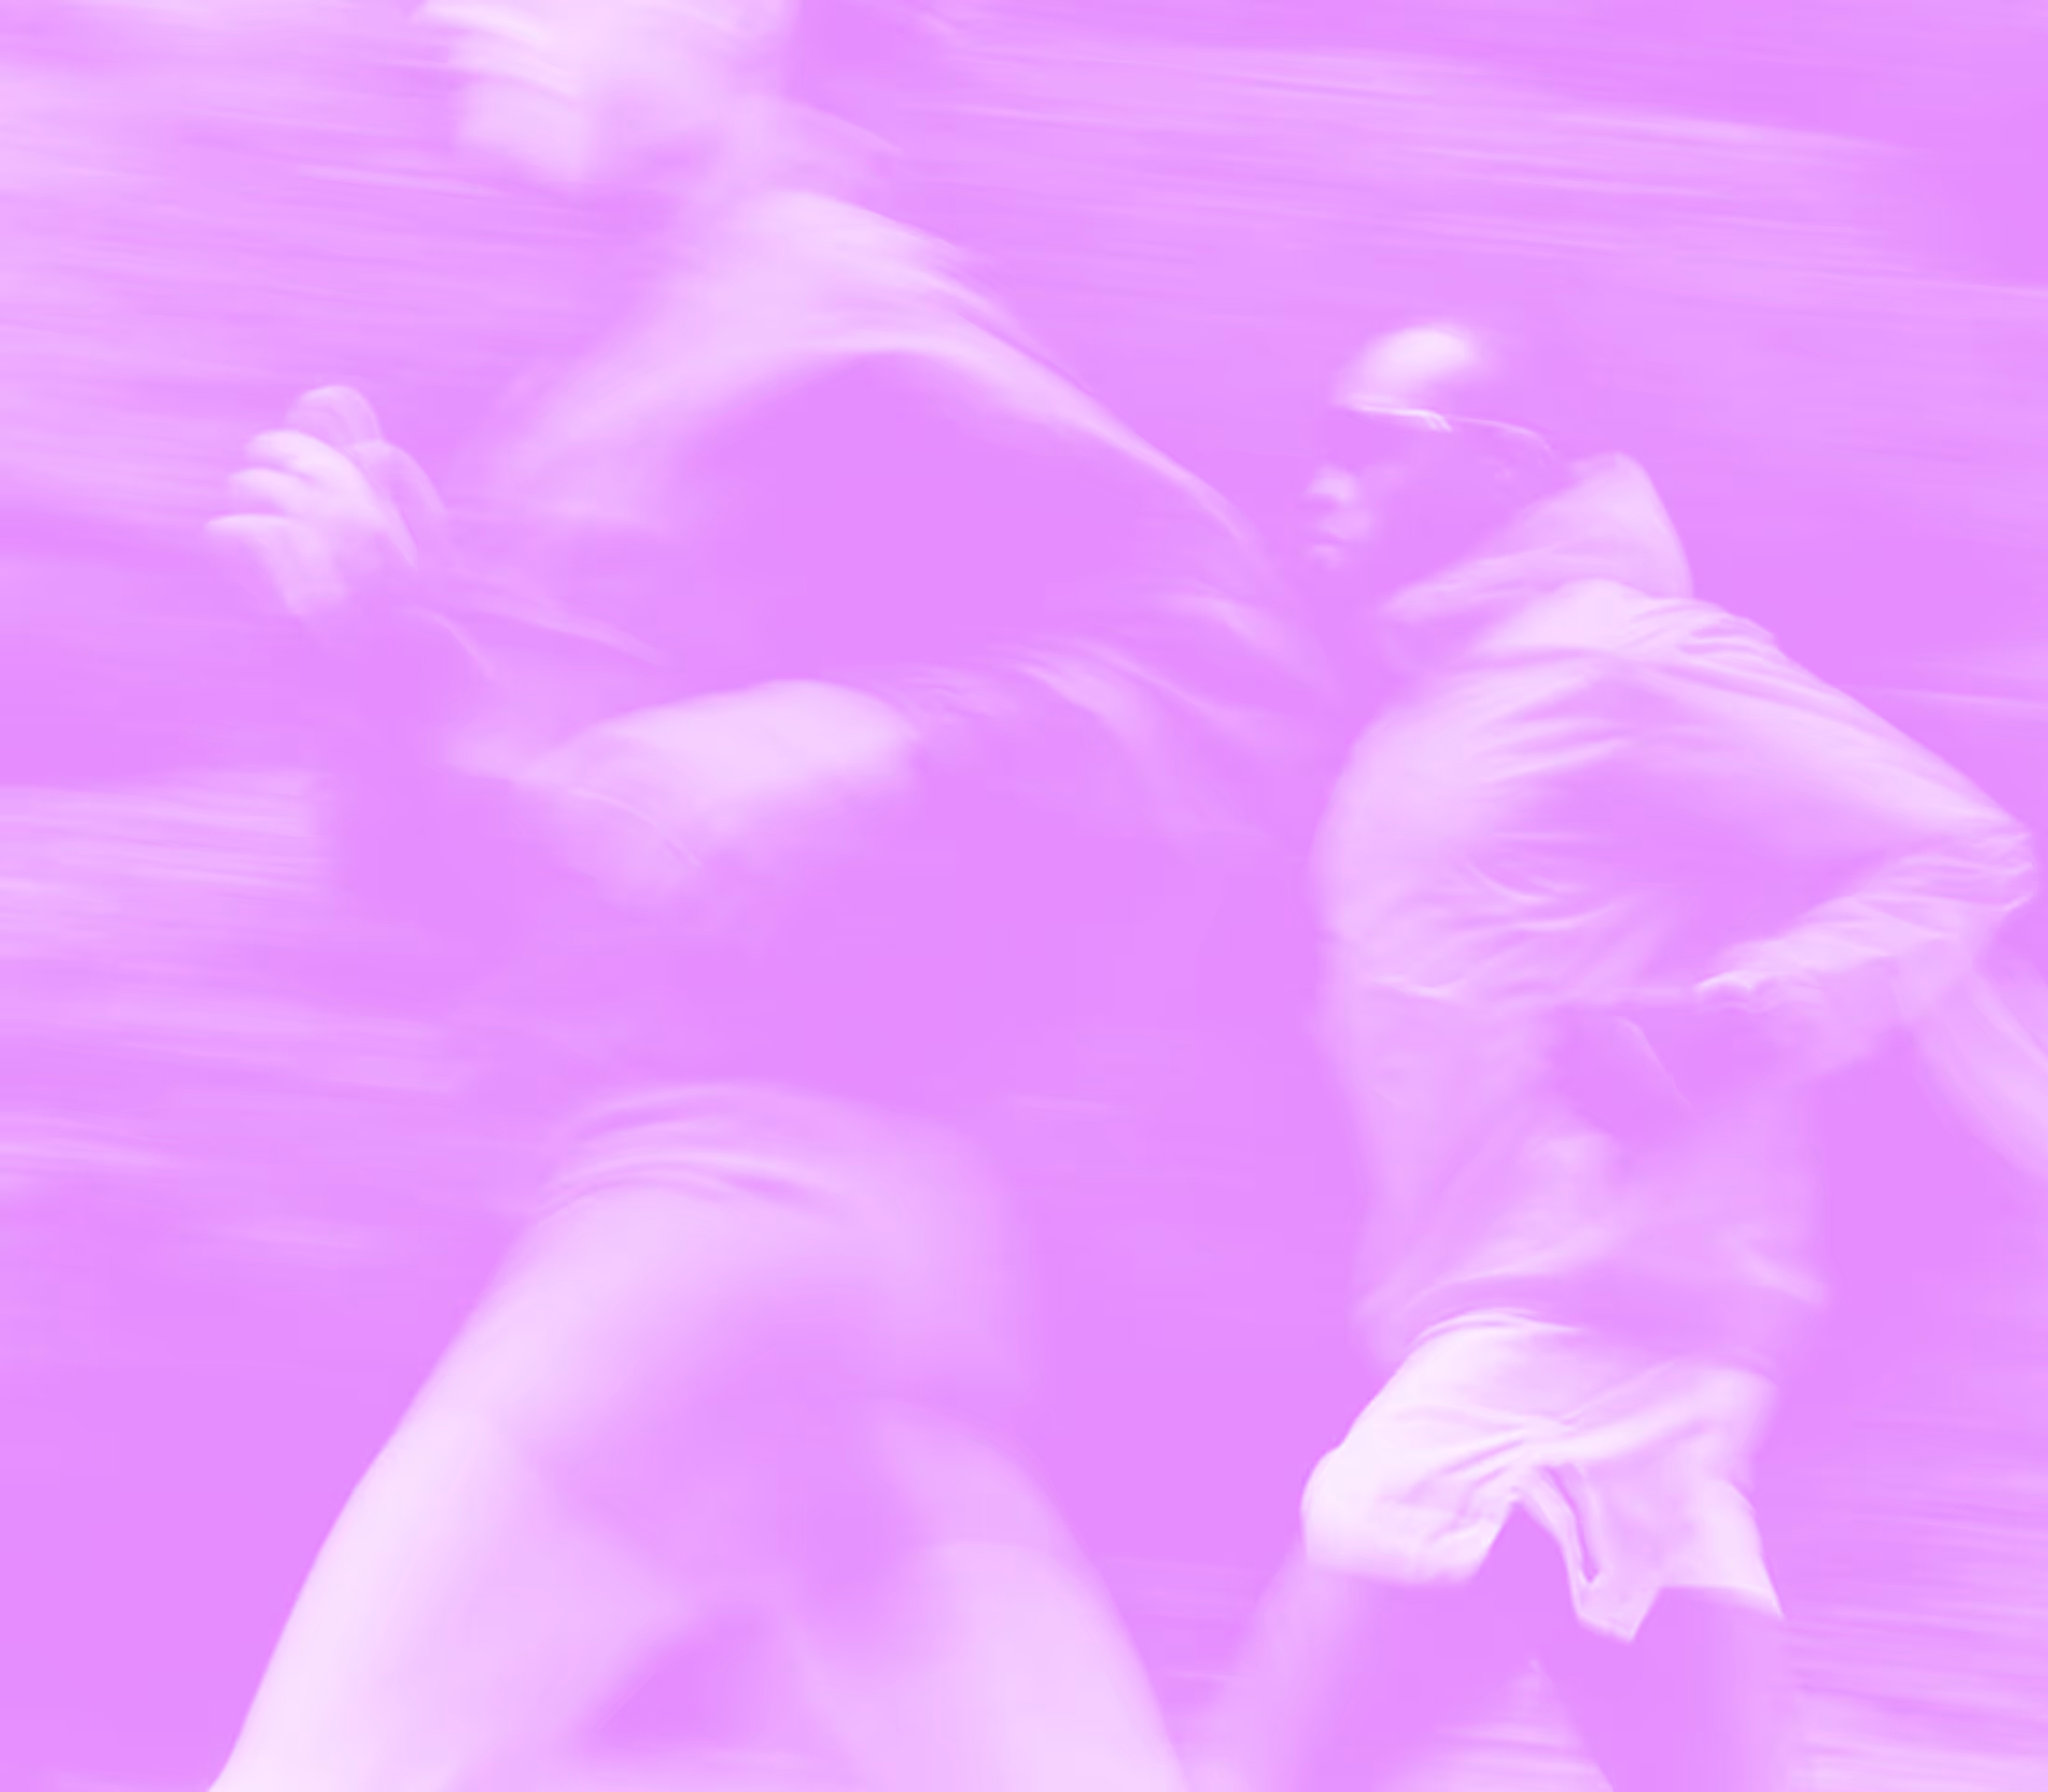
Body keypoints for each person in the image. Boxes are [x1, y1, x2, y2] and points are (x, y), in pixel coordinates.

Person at [200, 2, 1321, 1789]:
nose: (455, 17)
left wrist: (872, 735)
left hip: (712, 1238)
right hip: (877, 1278)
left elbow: (1225, 671)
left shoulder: (836, 311)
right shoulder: (623, 374)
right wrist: (378, 659)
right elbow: (500, 906)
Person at [1196, 322, 2037, 1792]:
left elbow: (1955, 850)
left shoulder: (1626, 660)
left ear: (1500, 466)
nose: (1322, 481)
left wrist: (1741, 1018)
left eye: (1367, 444)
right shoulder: (1430, 713)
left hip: (1566, 1337)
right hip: (1553, 1336)